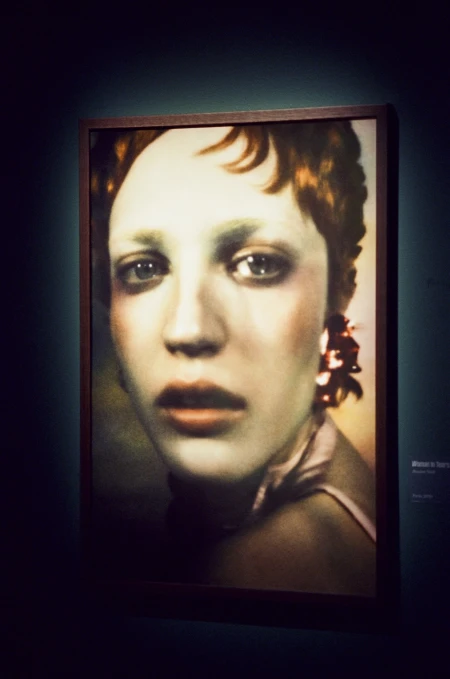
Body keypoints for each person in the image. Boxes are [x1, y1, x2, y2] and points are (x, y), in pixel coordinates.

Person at [90, 120, 376, 595]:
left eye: (258, 264)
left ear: (338, 293)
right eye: (143, 269)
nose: (188, 329)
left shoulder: (262, 566)